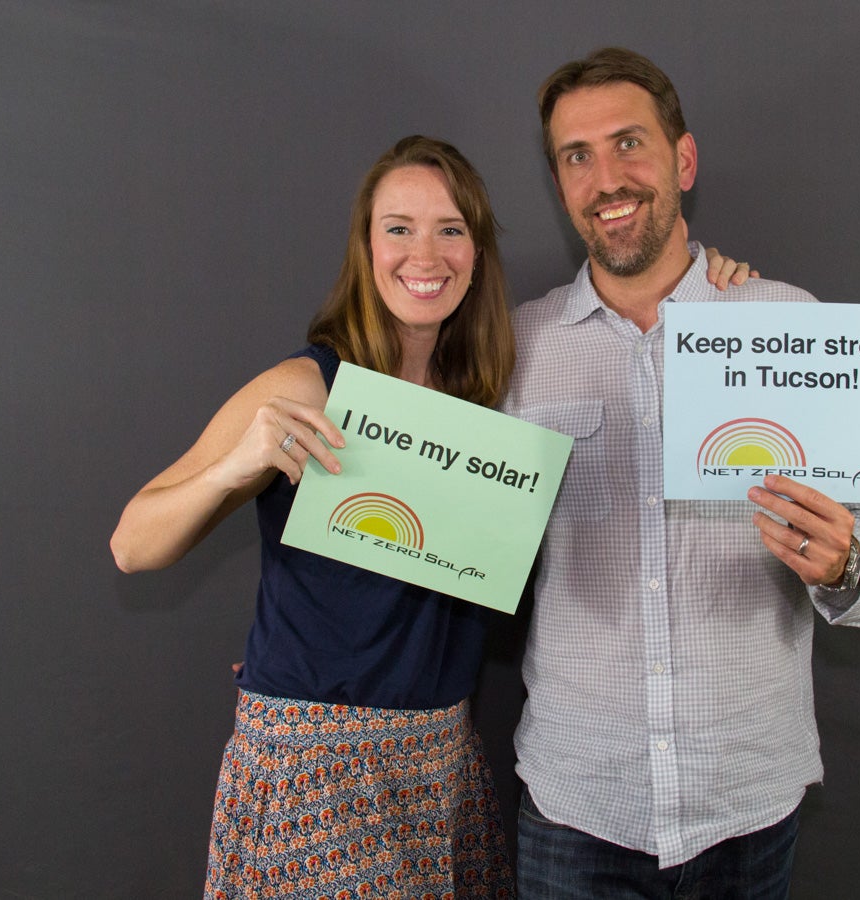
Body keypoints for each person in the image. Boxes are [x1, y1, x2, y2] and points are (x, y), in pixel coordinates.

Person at [110, 134, 749, 900]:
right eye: (399, 228)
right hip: (318, 778)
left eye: (450, 229)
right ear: (366, 247)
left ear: (476, 253)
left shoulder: (489, 400)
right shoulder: (309, 386)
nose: (425, 255)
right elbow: (132, 545)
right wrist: (233, 466)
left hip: (441, 770)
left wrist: (707, 281)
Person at [501, 48, 860, 898]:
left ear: (683, 160)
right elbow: (452, 538)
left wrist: (845, 564)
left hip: (745, 805)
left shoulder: (786, 321)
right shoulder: (515, 350)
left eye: (628, 144)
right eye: (577, 156)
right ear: (559, 183)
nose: (606, 179)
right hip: (579, 806)